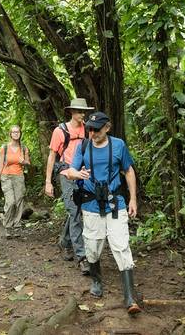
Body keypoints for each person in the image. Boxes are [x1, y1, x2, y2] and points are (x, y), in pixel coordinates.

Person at [64, 111, 141, 314]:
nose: (93, 132)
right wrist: (76, 173)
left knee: (121, 245)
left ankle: (130, 296)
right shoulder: (84, 145)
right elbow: (70, 171)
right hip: (90, 205)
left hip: (115, 203)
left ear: (107, 128)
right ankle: (97, 280)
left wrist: (133, 199)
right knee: (93, 246)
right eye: (90, 129)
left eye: (97, 130)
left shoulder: (118, 145)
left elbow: (129, 171)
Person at [45, 97, 94, 275]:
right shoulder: (60, 131)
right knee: (74, 212)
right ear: (72, 112)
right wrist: (48, 182)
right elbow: (52, 156)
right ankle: (82, 257)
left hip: (83, 175)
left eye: (84, 112)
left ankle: (65, 242)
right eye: (80, 112)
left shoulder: (87, 129)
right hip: (66, 175)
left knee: (76, 211)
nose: (83, 114)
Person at [0, 125, 30, 238]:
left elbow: (28, 163)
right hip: (6, 176)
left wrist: (23, 161)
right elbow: (0, 165)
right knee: (11, 201)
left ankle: (16, 225)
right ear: (10, 134)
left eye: (17, 132)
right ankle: (8, 226)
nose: (16, 134)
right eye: (13, 132)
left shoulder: (24, 148)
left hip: (19, 176)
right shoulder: (5, 147)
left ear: (20, 133)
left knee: (19, 201)